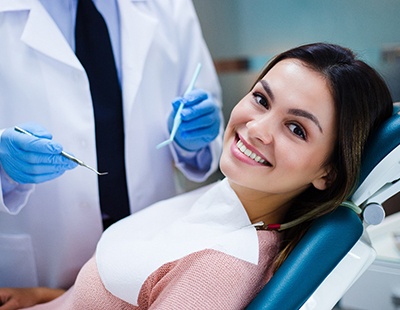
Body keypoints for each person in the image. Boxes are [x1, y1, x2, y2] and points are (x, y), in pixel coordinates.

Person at [0, 42, 393, 309]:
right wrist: (48, 297)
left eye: (296, 129)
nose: (256, 128)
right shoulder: (222, 205)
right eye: (261, 99)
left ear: (328, 172)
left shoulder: (221, 267)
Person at [0, 0, 223, 291]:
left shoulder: (169, 6)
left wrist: (193, 141)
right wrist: (3, 165)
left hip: (152, 248)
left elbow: (204, 98)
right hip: (40, 262)